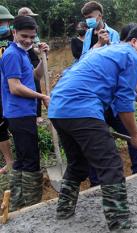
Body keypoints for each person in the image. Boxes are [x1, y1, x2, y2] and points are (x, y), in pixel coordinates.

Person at [48, 25, 137, 230]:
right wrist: (135, 135)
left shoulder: (103, 50)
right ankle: (120, 224)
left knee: (78, 164)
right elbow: (125, 102)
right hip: (82, 107)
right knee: (110, 165)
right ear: (134, 42)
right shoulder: (131, 57)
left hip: (58, 108)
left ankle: (63, 212)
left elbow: (76, 75)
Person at [86, 23, 137, 188]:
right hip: (96, 105)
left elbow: (124, 85)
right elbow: (87, 59)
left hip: (113, 107)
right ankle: (96, 183)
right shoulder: (104, 50)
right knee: (96, 143)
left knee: (133, 133)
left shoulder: (129, 57)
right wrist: (98, 44)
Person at [1, 16, 49, 211]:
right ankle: (32, 207)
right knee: (30, 159)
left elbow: (35, 76)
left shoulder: (23, 53)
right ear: (14, 33)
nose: (28, 40)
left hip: (24, 112)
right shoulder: (12, 54)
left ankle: (17, 202)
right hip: (19, 113)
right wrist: (42, 96)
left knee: (22, 158)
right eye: (24, 36)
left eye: (32, 37)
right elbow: (15, 87)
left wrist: (44, 57)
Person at [17, 7, 46, 124]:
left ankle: (37, 114)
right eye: (30, 16)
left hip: (33, 60)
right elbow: (28, 47)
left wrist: (41, 51)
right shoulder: (18, 32)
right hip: (24, 60)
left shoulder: (33, 30)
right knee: (23, 86)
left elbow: (34, 46)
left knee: (36, 85)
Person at [0, 5, 14, 175]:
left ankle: (26, 159)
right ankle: (9, 161)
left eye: (6, 22)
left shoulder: (16, 37)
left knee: (17, 123)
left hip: (14, 88)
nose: (4, 24)